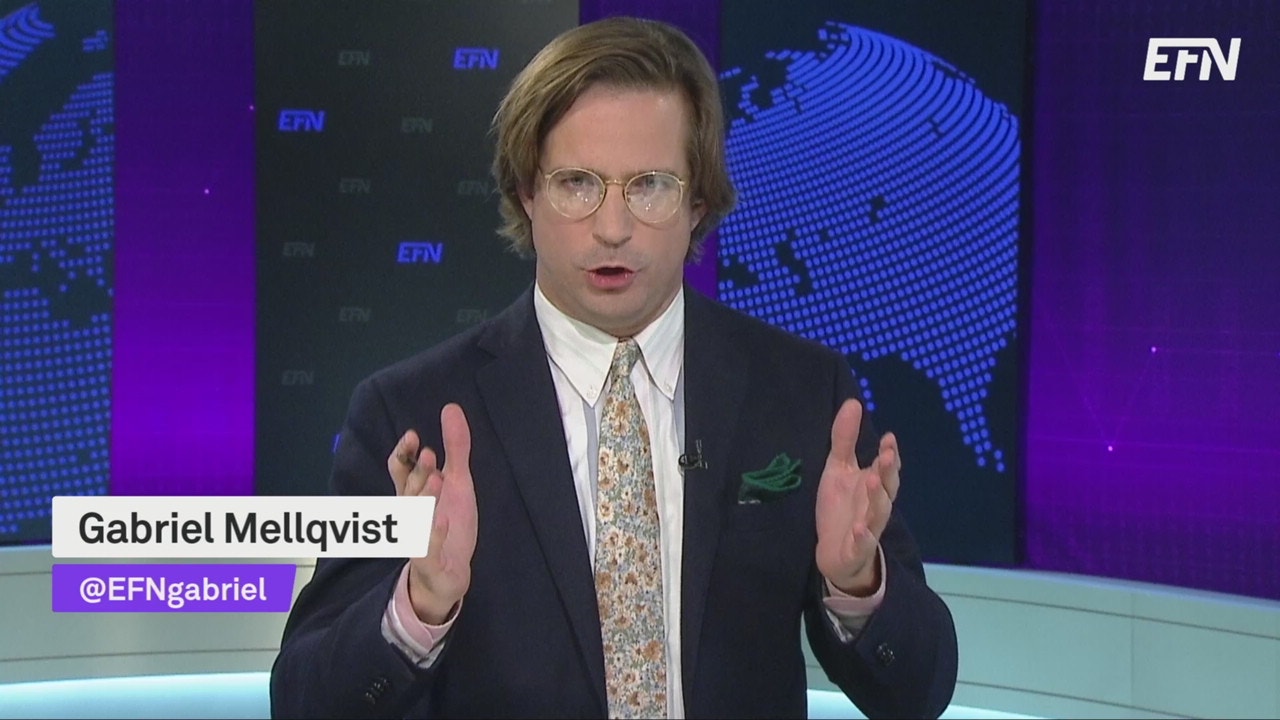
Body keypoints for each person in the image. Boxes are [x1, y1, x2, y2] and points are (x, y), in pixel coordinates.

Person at [270, 16, 957, 719]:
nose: (612, 227)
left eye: (650, 185)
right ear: (527, 193)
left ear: (698, 202)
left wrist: (859, 585)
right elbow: (304, 702)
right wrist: (417, 608)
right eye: (576, 183)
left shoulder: (805, 395)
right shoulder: (409, 417)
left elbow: (920, 692)